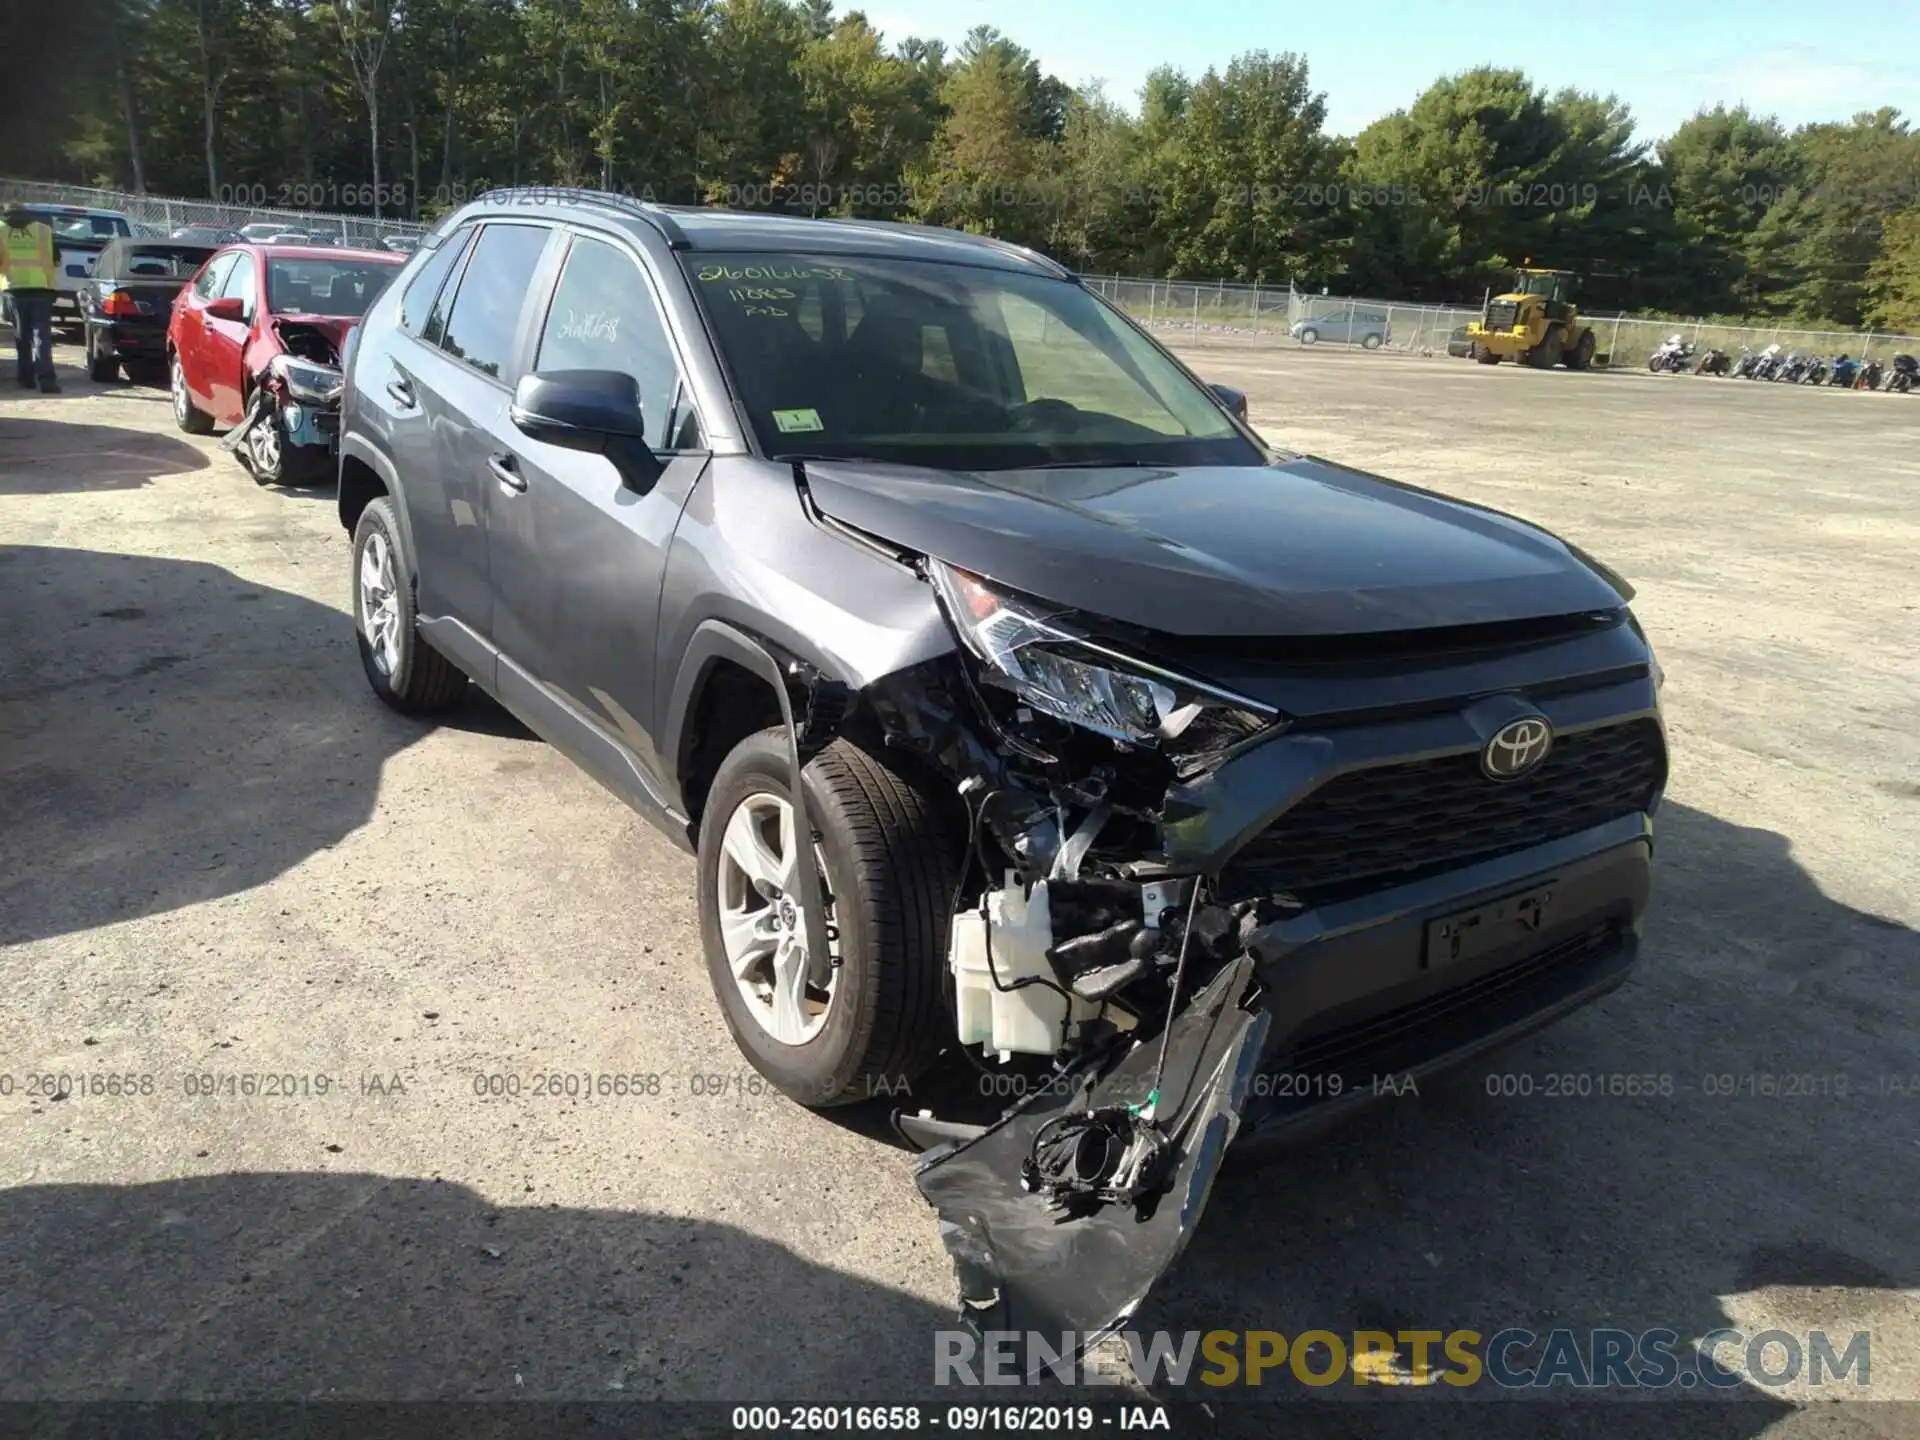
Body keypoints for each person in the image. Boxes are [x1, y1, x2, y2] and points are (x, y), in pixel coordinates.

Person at [2, 204, 60, 392]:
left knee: (22, 336)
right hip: (41, 287)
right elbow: (56, 259)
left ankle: (26, 378)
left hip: (13, 289)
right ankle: (47, 381)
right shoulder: (43, 230)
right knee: (42, 335)